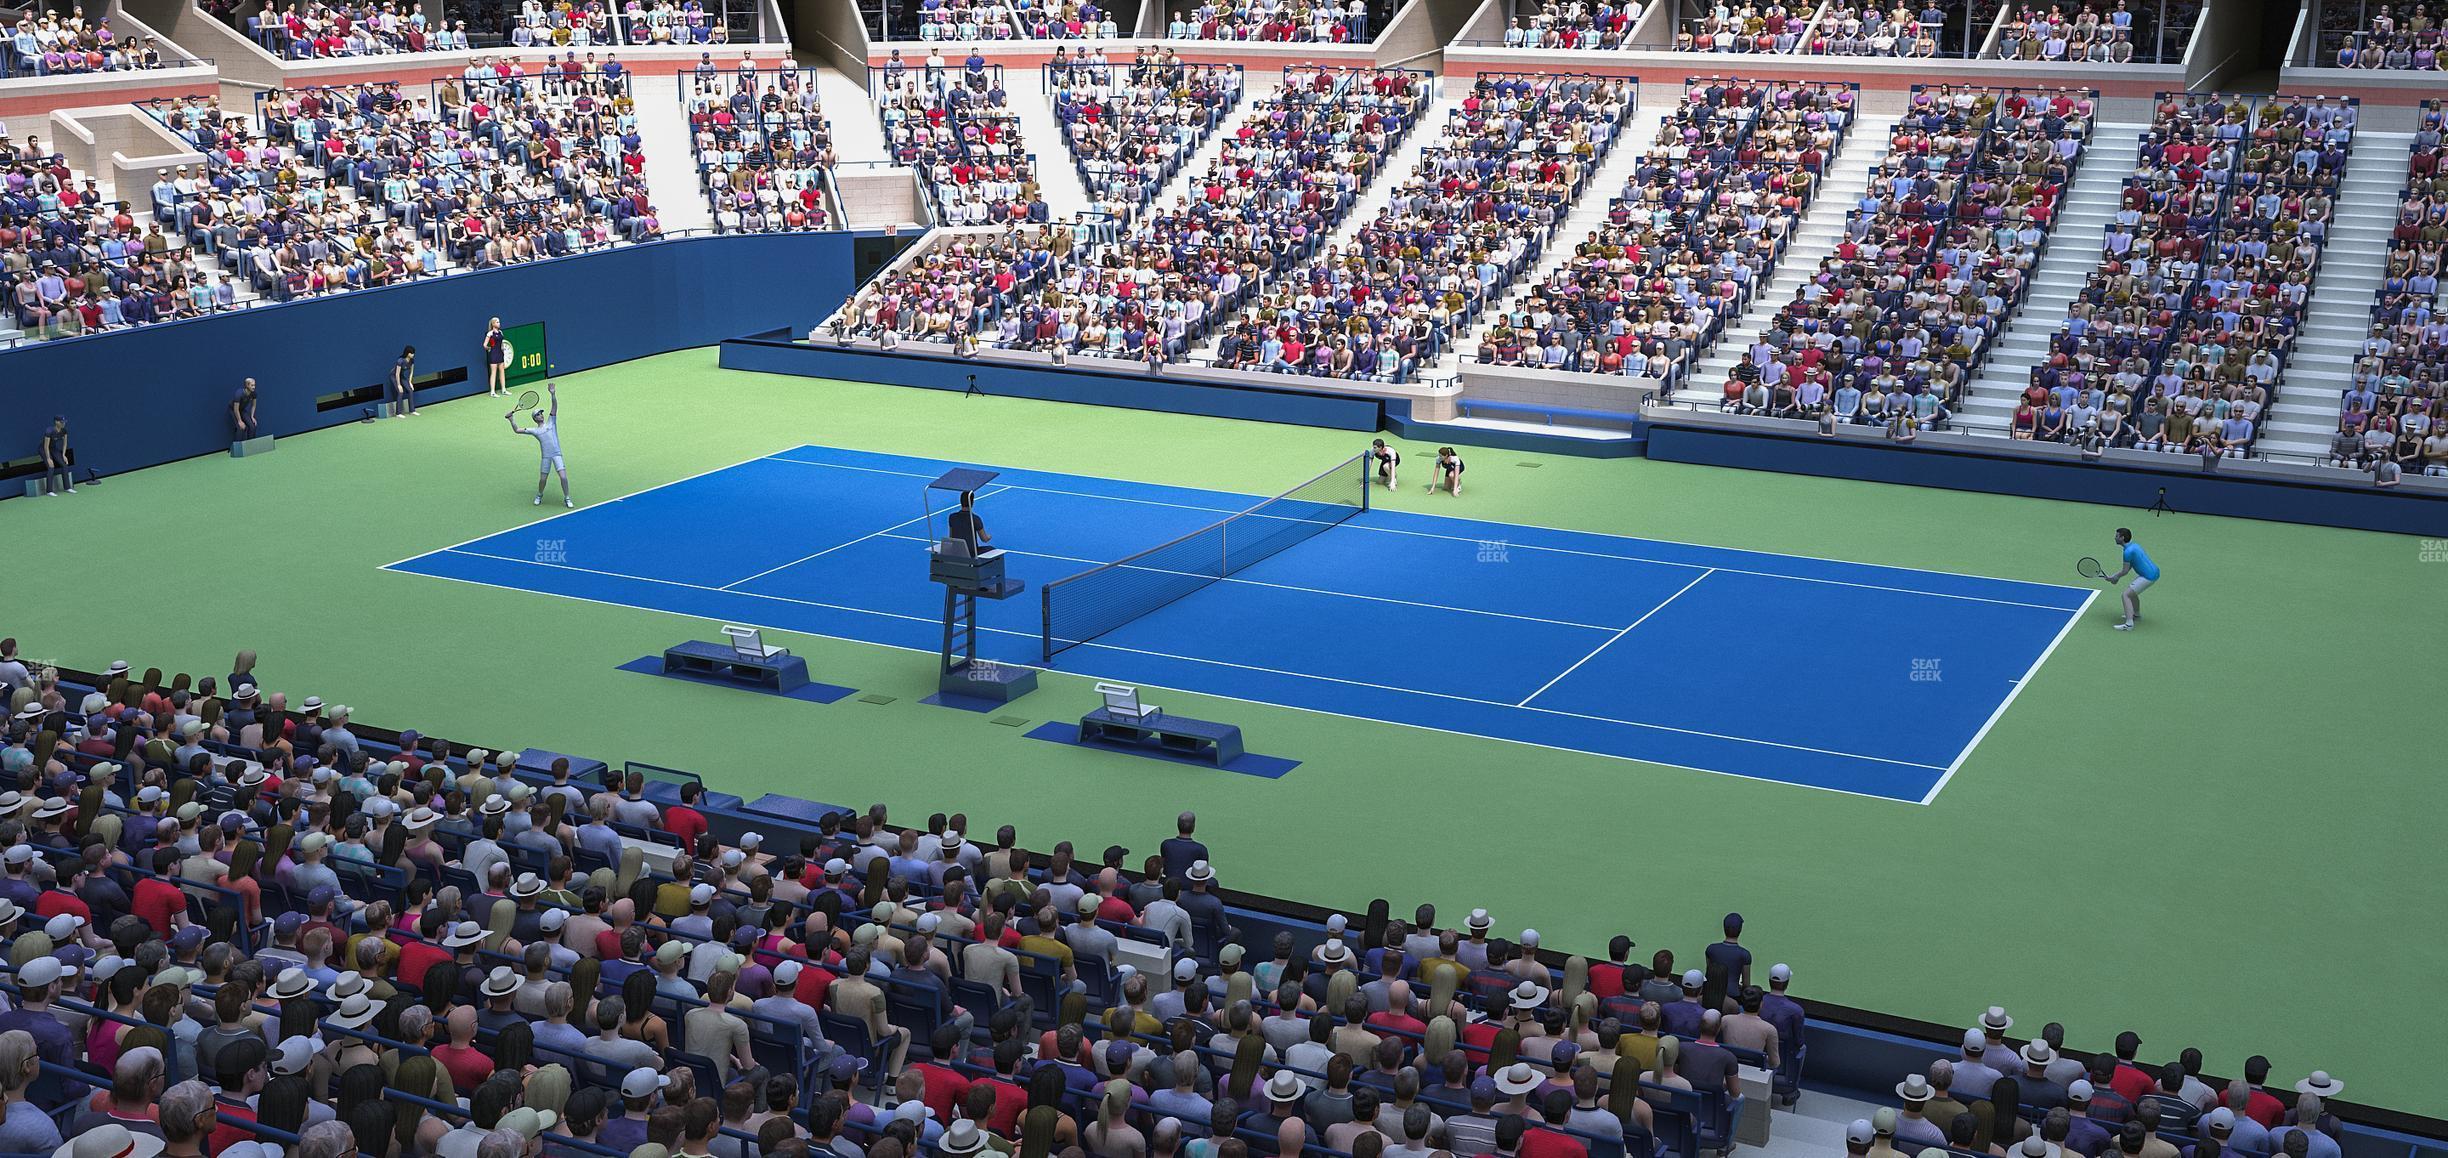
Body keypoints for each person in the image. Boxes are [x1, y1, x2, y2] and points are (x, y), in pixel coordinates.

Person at [509, 383, 573, 508]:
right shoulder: (534, 430)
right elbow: (517, 430)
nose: (541, 415)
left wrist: (553, 394)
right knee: (543, 480)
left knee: (563, 477)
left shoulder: (551, 422)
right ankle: (539, 495)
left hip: (557, 455)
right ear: (535, 418)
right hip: (546, 457)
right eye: (538, 414)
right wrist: (511, 420)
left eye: (541, 413)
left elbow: (554, 406)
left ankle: (567, 498)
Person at [2100, 527, 2158, 631]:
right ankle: (2136, 615)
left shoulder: (2127, 552)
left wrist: (2115, 578)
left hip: (2148, 576)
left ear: (2122, 538)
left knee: (2126, 595)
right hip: (2153, 572)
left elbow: (2125, 571)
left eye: (2117, 536)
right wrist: (2115, 577)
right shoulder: (2134, 546)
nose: (2114, 538)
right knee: (2132, 593)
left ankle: (2129, 624)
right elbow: (2130, 565)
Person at [37, 416, 72, 496]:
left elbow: (65, 443)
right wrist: (48, 458)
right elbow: (46, 446)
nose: (64, 424)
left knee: (64, 464)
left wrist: (63, 455)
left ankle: (67, 488)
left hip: (53, 448)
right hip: (43, 449)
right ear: (56, 422)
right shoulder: (49, 431)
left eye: (64, 422)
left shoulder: (64, 431)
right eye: (61, 422)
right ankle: (49, 491)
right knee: (51, 467)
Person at [484, 318, 512, 396]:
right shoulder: (490, 333)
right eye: (497, 322)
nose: (499, 323)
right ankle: (492, 392)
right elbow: (485, 345)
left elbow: (501, 343)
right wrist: (489, 348)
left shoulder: (501, 332)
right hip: (493, 354)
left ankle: (504, 390)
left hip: (500, 353)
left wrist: (502, 349)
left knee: (502, 371)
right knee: (494, 372)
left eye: (499, 322)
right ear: (493, 324)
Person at [391, 345, 419, 418]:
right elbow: (397, 374)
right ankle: (398, 413)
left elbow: (411, 372)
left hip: (402, 376)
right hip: (394, 376)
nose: (413, 355)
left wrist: (410, 382)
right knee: (401, 392)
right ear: (408, 353)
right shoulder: (400, 361)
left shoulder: (412, 360)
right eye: (412, 353)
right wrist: (399, 385)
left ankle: (412, 411)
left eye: (413, 353)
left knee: (410, 390)